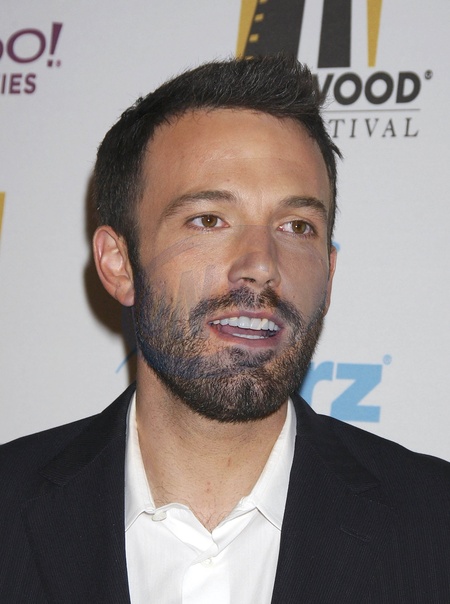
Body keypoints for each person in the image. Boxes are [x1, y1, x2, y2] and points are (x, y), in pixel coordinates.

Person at [1, 55, 449, 604]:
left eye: (296, 226)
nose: (261, 264)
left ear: (329, 274)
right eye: (209, 219)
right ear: (119, 263)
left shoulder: (435, 527)